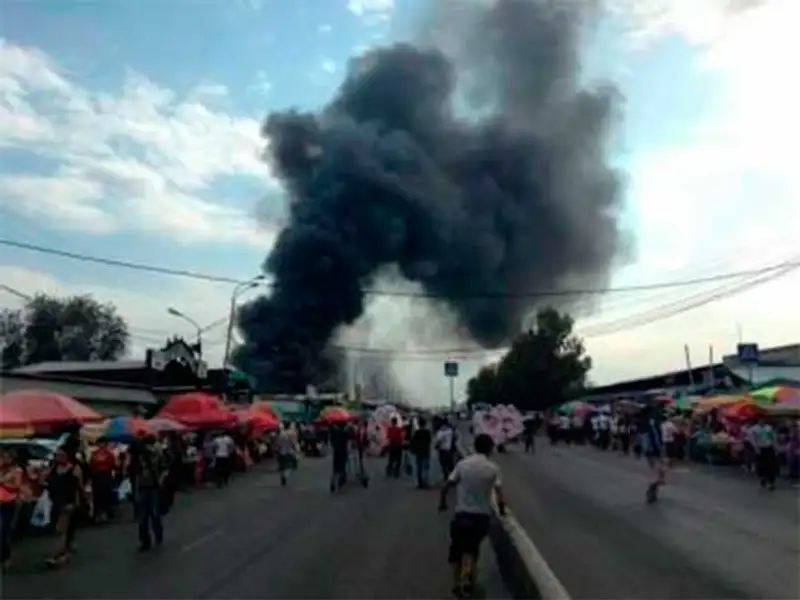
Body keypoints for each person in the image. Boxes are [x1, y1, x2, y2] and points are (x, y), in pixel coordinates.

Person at [439, 434, 505, 598]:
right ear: (490, 448)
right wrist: (502, 509)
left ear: (475, 446)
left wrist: (443, 502)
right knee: (472, 548)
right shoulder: (493, 468)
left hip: (462, 514)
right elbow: (499, 495)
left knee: (456, 552)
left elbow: (447, 485)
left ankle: (457, 582)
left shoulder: (463, 464)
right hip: (481, 517)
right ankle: (469, 576)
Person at [44, 448, 84, 567]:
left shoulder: (74, 469)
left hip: (68, 502)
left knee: (61, 529)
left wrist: (79, 502)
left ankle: (56, 554)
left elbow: (79, 487)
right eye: (57, 455)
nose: (58, 457)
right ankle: (63, 554)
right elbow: (45, 482)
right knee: (60, 529)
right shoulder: (53, 469)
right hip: (54, 502)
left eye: (61, 455)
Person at [134, 436, 166, 552]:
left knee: (154, 514)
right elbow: (137, 473)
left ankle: (157, 535)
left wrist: (160, 481)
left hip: (153, 487)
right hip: (144, 487)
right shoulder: (141, 457)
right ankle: (145, 540)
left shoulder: (157, 456)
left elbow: (164, 469)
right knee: (144, 516)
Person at [0, 449, 23, 570]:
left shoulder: (16, 471)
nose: (4, 459)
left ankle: (6, 557)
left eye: (7, 457)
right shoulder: (2, 470)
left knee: (4, 531)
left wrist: (3, 483)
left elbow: (16, 486)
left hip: (8, 502)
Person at [641, 407, 666, 503]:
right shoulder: (654, 424)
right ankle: (652, 490)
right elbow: (657, 439)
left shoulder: (645, 423)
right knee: (658, 471)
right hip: (655, 450)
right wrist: (662, 451)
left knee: (655, 470)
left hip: (648, 451)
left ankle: (653, 492)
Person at [89, 440, 117, 522]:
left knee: (104, 494)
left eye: (103, 443)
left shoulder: (108, 454)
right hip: (99, 476)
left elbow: (112, 464)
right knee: (99, 495)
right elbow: (91, 464)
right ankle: (100, 513)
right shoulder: (95, 453)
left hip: (104, 475)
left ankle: (103, 512)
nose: (102, 445)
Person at [752, 417, 778, 490]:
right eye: (760, 420)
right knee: (761, 466)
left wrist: (776, 448)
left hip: (769, 448)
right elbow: (753, 439)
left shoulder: (768, 428)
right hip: (760, 449)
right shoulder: (755, 429)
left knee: (770, 465)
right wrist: (756, 448)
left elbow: (773, 438)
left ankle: (771, 482)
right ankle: (762, 479)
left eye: (763, 420)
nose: (762, 421)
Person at [410, 417, 433, 489]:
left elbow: (413, 442)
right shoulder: (427, 432)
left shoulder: (417, 432)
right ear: (425, 424)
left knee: (419, 468)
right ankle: (425, 483)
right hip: (426, 452)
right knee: (425, 468)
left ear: (419, 424)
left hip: (418, 452)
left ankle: (419, 483)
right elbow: (430, 441)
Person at [276, 423, 298, 487]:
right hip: (289, 452)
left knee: (282, 466)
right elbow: (294, 444)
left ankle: (282, 475)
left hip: (281, 452)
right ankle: (285, 475)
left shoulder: (280, 435)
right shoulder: (292, 434)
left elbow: (277, 444)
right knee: (290, 465)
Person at [329, 422, 350, 492]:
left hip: (336, 450)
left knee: (336, 469)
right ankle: (340, 483)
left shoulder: (332, 428)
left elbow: (331, 440)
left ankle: (333, 483)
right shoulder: (344, 430)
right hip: (342, 450)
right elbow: (347, 439)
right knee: (342, 468)